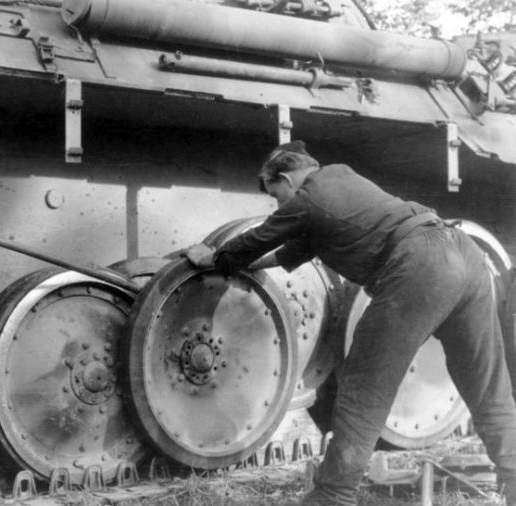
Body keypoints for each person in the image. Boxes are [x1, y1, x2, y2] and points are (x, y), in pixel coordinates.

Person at [187, 140, 516, 506]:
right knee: (486, 380)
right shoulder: (341, 180)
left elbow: (262, 237)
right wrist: (249, 264)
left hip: (421, 264)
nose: (279, 205)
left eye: (276, 194)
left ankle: (333, 495)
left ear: (285, 178)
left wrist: (217, 257)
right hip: (464, 253)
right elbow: (292, 250)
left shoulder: (309, 197)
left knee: (365, 385)